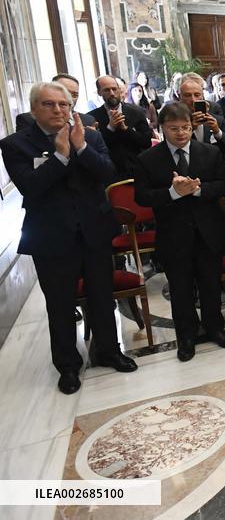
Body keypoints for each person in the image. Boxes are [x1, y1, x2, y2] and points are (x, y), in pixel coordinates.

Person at [1, 82, 137, 394]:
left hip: (94, 230)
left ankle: (109, 350)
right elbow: (31, 187)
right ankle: (68, 365)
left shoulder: (88, 135)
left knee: (102, 295)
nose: (58, 110)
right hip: (51, 237)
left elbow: (107, 173)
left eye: (63, 104)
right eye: (49, 105)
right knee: (60, 304)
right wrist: (61, 156)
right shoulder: (16, 145)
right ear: (35, 109)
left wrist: (82, 149)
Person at [133, 103, 225, 361]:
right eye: (174, 128)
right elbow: (142, 197)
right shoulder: (148, 159)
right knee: (180, 289)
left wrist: (199, 190)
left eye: (186, 128)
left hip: (208, 230)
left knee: (210, 283)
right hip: (173, 233)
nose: (181, 133)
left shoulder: (209, 152)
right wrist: (172, 193)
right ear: (162, 129)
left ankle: (215, 328)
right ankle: (186, 337)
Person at [87, 75, 153, 179]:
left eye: (114, 89)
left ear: (119, 90)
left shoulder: (137, 112)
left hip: (138, 171)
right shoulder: (92, 117)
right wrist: (110, 128)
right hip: (108, 174)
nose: (112, 93)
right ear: (99, 92)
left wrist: (126, 129)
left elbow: (146, 143)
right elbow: (93, 150)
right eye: (107, 90)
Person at [16, 74, 96, 131]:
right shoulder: (27, 119)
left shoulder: (88, 120)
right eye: (66, 92)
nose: (70, 98)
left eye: (75, 95)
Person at [177, 73, 225, 153]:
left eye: (197, 95)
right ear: (180, 96)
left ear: (202, 95)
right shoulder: (173, 121)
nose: (193, 99)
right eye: (187, 95)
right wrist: (190, 128)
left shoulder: (217, 120)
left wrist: (217, 131)